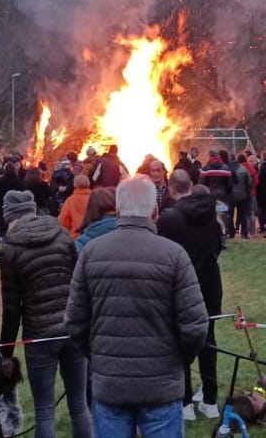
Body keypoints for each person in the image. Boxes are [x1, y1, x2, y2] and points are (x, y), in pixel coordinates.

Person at [66, 176, 206, 438]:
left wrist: (100, 356)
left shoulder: (91, 253)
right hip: (158, 385)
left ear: (118, 210)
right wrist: (176, 360)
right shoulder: (174, 255)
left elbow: (74, 320)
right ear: (155, 211)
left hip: (114, 384)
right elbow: (196, 325)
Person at [0, 189, 92, 438]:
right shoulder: (61, 234)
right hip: (72, 328)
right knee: (79, 404)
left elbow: (11, 307)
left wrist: (5, 352)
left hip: (39, 335)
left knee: (44, 409)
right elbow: (80, 280)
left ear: (10, 217)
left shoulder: (10, 249)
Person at [156, 174, 223, 423]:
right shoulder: (212, 219)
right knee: (208, 339)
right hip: (209, 283)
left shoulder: (169, 219)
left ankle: (184, 402)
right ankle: (210, 400)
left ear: (172, 189)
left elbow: (162, 253)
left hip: (180, 285)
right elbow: (217, 248)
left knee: (179, 340)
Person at [59, 174, 92, 238]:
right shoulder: (95, 198)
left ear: (74, 185)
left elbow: (63, 221)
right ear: (88, 183)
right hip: (95, 235)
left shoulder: (70, 200)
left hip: (77, 236)